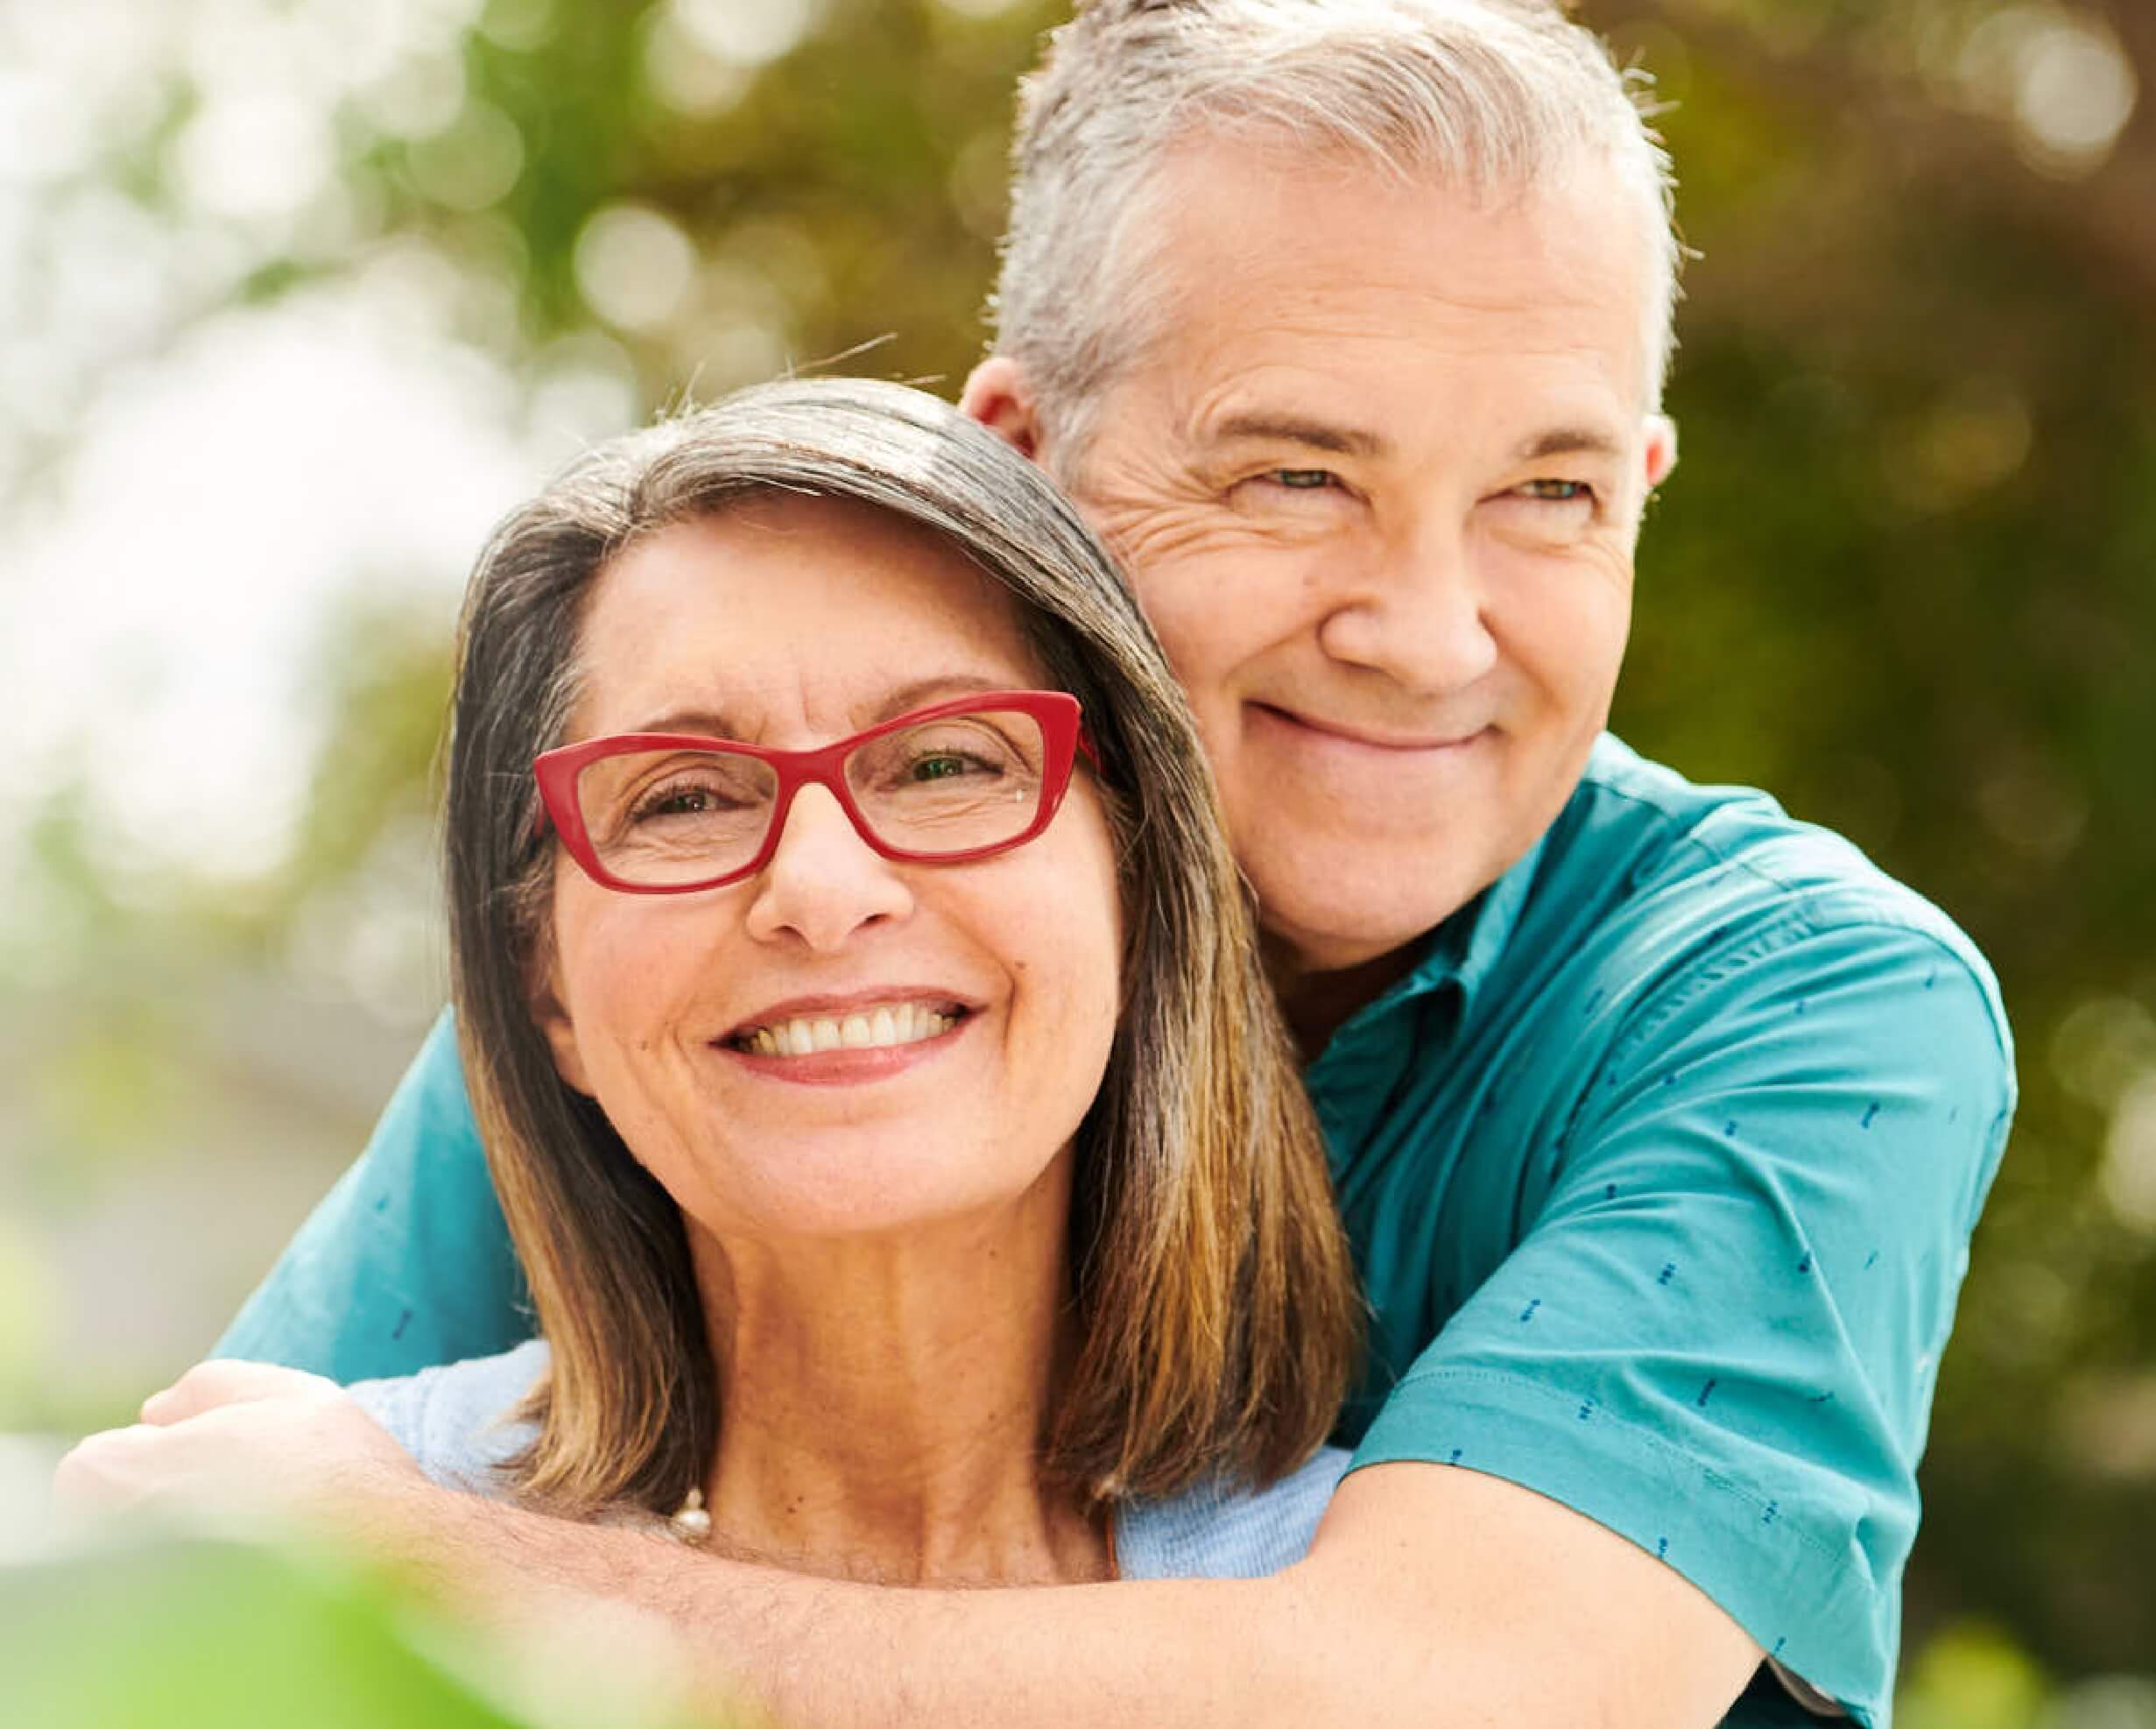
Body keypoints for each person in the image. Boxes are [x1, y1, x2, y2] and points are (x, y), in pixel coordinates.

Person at [73, 4, 2014, 1725]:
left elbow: (1475, 1697)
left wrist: (453, 1577)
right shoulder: (743, 968)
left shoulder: (1800, 1005)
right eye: (1294, 475)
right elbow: (237, 1523)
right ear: (1022, 456)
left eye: (1546, 495)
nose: (1428, 632)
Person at [61, 378, 1365, 1587]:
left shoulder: (1378, 1615)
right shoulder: (292, 1540)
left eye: (947, 763)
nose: (819, 884)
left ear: (1140, 895)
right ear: (545, 988)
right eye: (681, 797)